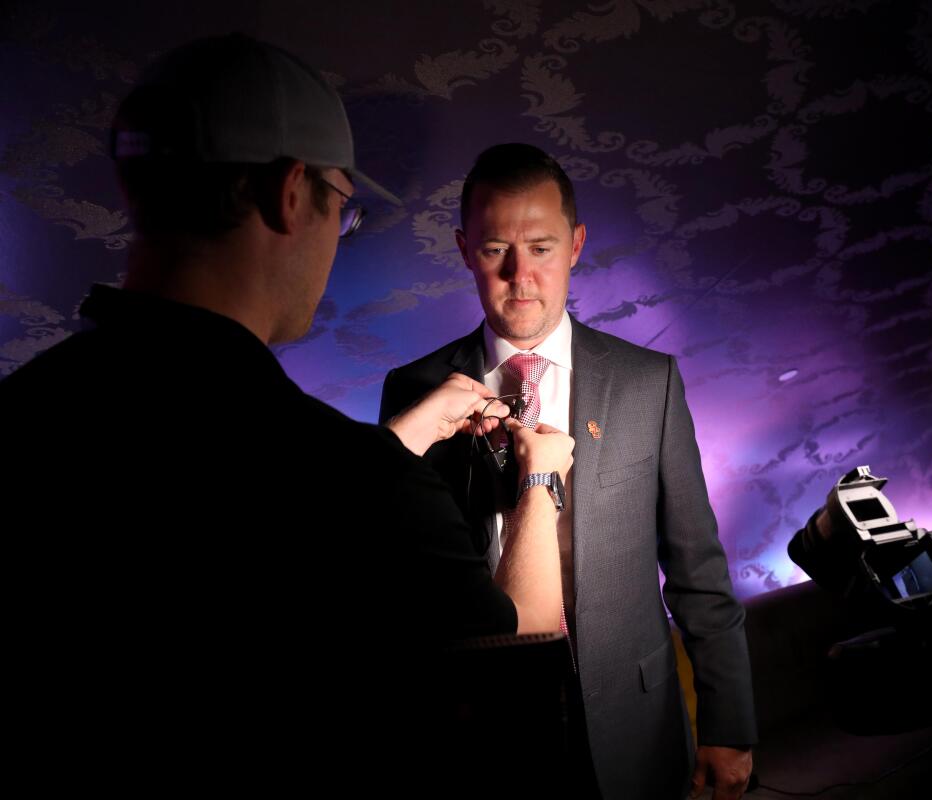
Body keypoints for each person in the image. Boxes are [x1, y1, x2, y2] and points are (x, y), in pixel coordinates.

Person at [0, 35, 571, 790]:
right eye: (344, 209)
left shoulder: (22, 413)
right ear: (291, 193)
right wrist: (537, 485)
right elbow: (515, 678)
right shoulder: (359, 486)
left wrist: (388, 451)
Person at [379, 143, 757, 800]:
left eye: (542, 247)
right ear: (465, 249)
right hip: (484, 732)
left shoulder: (650, 383)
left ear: (576, 245)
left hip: (636, 724)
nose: (520, 274)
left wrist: (730, 725)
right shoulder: (410, 390)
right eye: (496, 249)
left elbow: (700, 573)